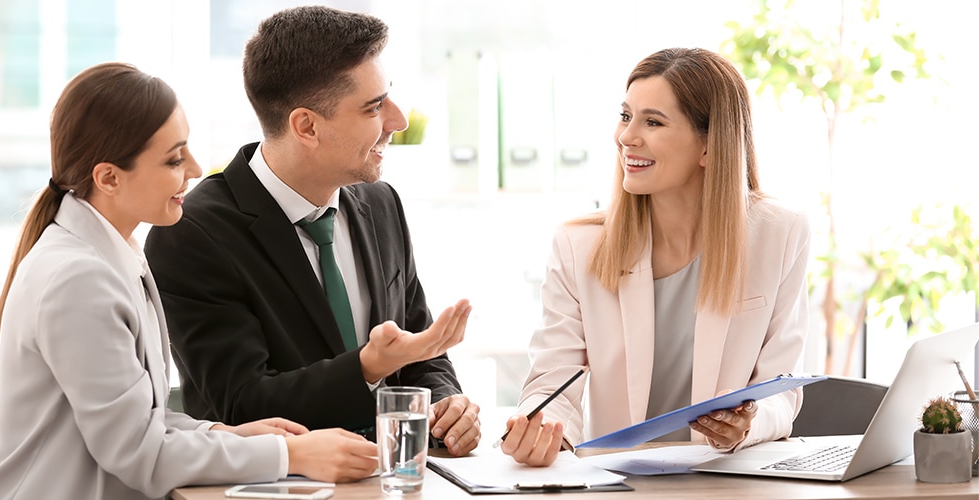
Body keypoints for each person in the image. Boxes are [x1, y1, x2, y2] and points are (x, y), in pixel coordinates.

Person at [0, 62, 379, 500]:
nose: (195, 169)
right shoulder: (79, 279)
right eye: (174, 159)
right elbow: (141, 453)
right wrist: (288, 456)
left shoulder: (111, 256)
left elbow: (143, 420)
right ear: (109, 178)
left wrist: (230, 435)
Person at [144, 6, 481, 457]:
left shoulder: (382, 204)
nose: (398, 121)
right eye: (374, 106)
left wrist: (444, 404)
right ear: (306, 126)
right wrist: (366, 367)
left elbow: (420, 350)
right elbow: (239, 404)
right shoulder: (193, 232)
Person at [499, 47, 810, 466]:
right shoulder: (578, 245)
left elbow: (781, 388)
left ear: (709, 147)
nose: (626, 137)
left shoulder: (780, 233)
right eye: (626, 116)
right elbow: (554, 383)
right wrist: (540, 428)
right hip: (618, 485)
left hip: (729, 480)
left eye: (653, 122)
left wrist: (749, 421)